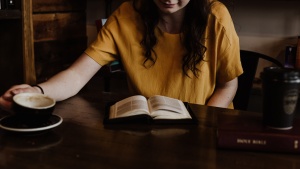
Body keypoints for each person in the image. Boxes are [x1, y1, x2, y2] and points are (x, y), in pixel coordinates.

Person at [0, 0, 243, 113]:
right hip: (147, 129)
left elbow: (228, 86)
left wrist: (202, 125)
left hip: (205, 130)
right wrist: (36, 93)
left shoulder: (216, 17)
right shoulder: (127, 14)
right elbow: (76, 75)